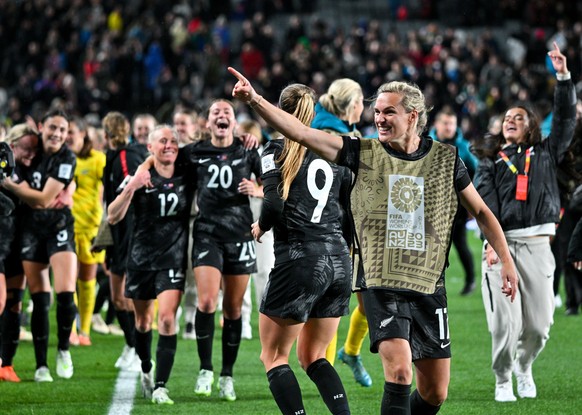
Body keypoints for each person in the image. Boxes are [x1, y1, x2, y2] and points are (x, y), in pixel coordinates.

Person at [230, 66, 518, 415]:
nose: (379, 119)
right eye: (376, 111)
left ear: (412, 116)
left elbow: (483, 213)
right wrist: (255, 99)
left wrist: (506, 260)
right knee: (398, 372)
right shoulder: (362, 152)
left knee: (435, 392)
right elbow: (302, 133)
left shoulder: (446, 158)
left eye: (388, 112)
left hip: (428, 284)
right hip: (382, 281)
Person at [474, 42, 576, 402]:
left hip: (537, 246)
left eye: (519, 117)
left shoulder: (547, 153)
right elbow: (485, 204)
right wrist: (490, 244)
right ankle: (503, 379)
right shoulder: (492, 160)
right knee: (505, 323)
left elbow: (565, 120)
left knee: (539, 326)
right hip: (502, 247)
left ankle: (524, 365)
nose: (511, 121)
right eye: (506, 119)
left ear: (532, 126)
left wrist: (563, 77)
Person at [251, 83, 353, 414]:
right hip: (339, 261)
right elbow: (348, 210)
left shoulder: (274, 150)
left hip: (300, 261)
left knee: (274, 356)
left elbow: (274, 204)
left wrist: (261, 227)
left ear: (279, 112)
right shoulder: (332, 151)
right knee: (313, 356)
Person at [108, 125, 194, 404]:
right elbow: (112, 216)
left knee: (167, 319)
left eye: (173, 141)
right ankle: (146, 367)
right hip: (141, 259)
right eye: (162, 141)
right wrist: (132, 184)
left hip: (173, 257)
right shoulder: (140, 176)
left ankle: (160, 386)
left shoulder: (187, 173)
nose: (168, 145)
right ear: (150, 147)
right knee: (143, 322)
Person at [188, 99, 262, 401]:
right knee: (206, 302)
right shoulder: (195, 152)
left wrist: (255, 190)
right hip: (207, 232)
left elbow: (271, 184)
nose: (221, 115)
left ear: (234, 122)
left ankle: (226, 375)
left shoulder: (248, 149)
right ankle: (205, 369)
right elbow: (164, 159)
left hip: (240, 234)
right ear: (208, 123)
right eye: (215, 112)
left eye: (227, 112)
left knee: (233, 309)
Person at [1, 110, 78, 382]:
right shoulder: (25, 151)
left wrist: (11, 184)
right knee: (37, 300)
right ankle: (40, 365)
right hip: (28, 230)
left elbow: (45, 199)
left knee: (66, 294)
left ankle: (64, 349)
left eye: (63, 129)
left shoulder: (65, 157)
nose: (57, 134)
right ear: (42, 128)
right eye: (53, 128)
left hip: (57, 227)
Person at [310, 78, 372, 387]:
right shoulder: (327, 138)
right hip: (334, 231)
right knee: (331, 306)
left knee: (368, 302)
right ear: (351, 105)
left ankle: (351, 352)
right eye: (362, 100)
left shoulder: (353, 135)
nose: (365, 106)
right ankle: (327, 369)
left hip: (357, 231)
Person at [102, 111, 147, 371]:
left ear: (107, 134)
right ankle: (132, 345)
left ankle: (135, 348)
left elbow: (132, 193)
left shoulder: (126, 157)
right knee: (118, 297)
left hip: (129, 233)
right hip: (116, 232)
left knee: (125, 296)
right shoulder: (113, 157)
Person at [0, 124, 40, 382]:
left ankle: (7, 364)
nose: (31, 154)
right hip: (1, 240)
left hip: (17, 243)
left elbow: (41, 199)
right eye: (26, 149)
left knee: (14, 303)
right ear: (12, 146)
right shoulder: (4, 160)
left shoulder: (35, 169)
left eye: (34, 150)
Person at [428, 107, 479, 295]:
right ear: (437, 124)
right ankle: (429, 283)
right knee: (430, 246)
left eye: (452, 123)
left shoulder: (463, 147)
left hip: (455, 207)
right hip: (430, 207)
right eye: (446, 123)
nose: (449, 127)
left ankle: (471, 280)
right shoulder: (426, 144)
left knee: (460, 245)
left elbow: (476, 171)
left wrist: (470, 200)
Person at [66, 116, 106, 346]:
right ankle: (70, 330)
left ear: (83, 134)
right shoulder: (60, 159)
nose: (69, 136)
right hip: (66, 226)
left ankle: (85, 330)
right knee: (68, 282)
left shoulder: (97, 159)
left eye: (72, 132)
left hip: (91, 226)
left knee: (87, 279)